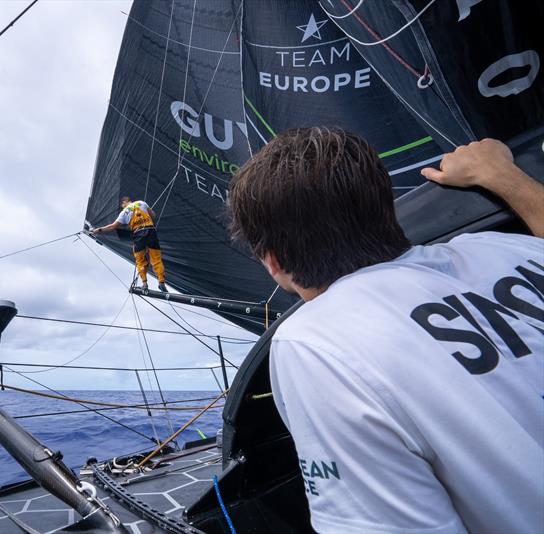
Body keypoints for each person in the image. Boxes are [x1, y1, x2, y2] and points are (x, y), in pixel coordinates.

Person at [227, 128, 543, 534]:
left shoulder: (315, 341)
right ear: (385, 207)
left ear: (272, 262)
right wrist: (502, 175)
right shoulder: (506, 250)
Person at [91, 197, 168, 292]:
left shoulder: (124, 213)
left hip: (139, 234)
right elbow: (153, 215)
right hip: (151, 232)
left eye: (122, 205)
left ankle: (144, 284)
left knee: (140, 261)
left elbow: (112, 227)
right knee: (156, 259)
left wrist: (97, 230)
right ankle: (161, 282)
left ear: (124, 203)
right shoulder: (141, 202)